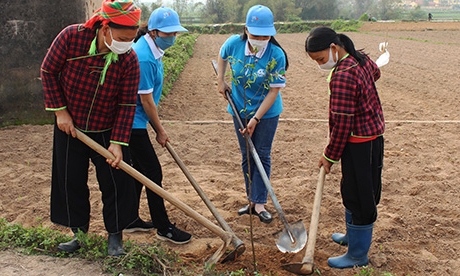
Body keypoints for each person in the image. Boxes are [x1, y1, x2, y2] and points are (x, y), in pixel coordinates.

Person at [41, 0, 142, 256]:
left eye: (131, 39)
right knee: (70, 179)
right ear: (105, 28)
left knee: (117, 182)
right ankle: (80, 234)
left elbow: (127, 103)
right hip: (70, 126)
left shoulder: (129, 59)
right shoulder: (71, 37)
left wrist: (118, 142)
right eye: (122, 38)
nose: (126, 45)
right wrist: (60, 112)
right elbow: (48, 70)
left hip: (106, 128)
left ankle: (115, 238)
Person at [304, 26, 385, 269]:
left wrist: (329, 156)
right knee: (354, 188)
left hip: (359, 142)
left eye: (320, 59)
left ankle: (358, 254)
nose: (319, 64)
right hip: (373, 137)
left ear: (333, 48)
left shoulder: (343, 76)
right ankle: (352, 236)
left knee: (360, 196)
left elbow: (342, 124)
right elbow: (376, 74)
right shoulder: (359, 58)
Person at [125, 6, 192, 244]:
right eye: (168, 33)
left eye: (175, 32)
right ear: (153, 32)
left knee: (140, 171)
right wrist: (160, 131)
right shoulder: (143, 56)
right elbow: (146, 100)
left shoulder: (151, 50)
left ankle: (128, 219)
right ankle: (164, 228)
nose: (173, 37)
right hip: (132, 123)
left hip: (138, 119)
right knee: (153, 172)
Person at [216, 5, 288, 224]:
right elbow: (222, 55)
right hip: (238, 108)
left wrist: (256, 118)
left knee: (262, 154)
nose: (260, 39)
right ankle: (251, 200)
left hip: (266, 113)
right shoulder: (234, 44)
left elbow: (274, 90)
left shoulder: (276, 55)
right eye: (256, 34)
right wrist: (220, 79)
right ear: (246, 29)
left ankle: (259, 203)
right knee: (247, 154)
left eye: (265, 35)